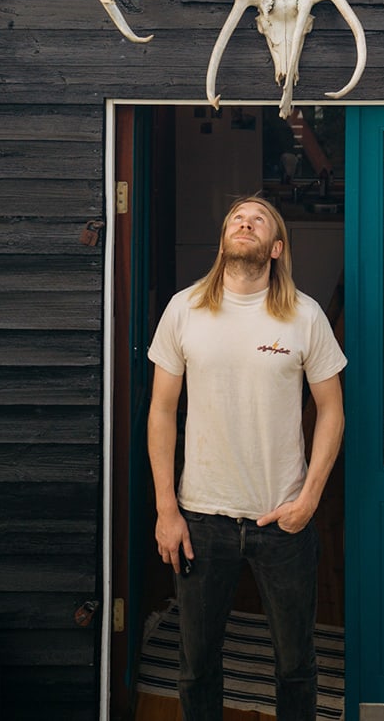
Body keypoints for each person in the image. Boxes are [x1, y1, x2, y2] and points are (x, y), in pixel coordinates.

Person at [147, 195, 346, 721]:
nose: (244, 220)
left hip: (283, 521)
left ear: (276, 247)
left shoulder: (305, 315)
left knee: (296, 665)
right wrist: (167, 510)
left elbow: (331, 412)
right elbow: (161, 412)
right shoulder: (183, 309)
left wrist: (309, 501)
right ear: (223, 240)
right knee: (196, 665)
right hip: (201, 518)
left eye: (259, 219)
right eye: (237, 216)